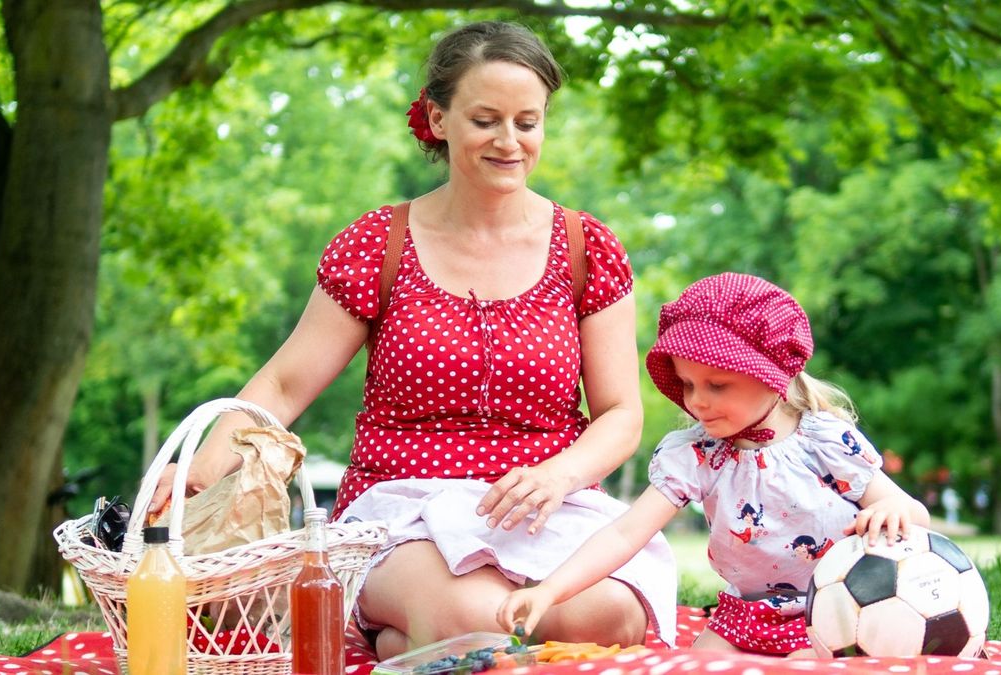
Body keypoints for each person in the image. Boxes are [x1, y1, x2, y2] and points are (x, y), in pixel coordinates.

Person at [149, 20, 676, 658]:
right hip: (403, 513)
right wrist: (201, 472)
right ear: (437, 116)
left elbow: (621, 414)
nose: (509, 141)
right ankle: (437, 631)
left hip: (547, 510)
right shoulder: (380, 243)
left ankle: (408, 642)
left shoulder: (585, 247)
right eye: (486, 120)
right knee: (471, 614)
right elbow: (284, 384)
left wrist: (558, 475)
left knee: (616, 617)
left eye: (527, 122)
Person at [497, 273, 930, 656]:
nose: (697, 401)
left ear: (772, 375)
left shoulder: (824, 442)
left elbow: (915, 514)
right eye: (687, 383)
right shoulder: (696, 455)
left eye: (717, 385)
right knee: (695, 666)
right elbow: (625, 533)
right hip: (743, 614)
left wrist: (896, 512)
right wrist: (550, 591)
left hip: (830, 611)